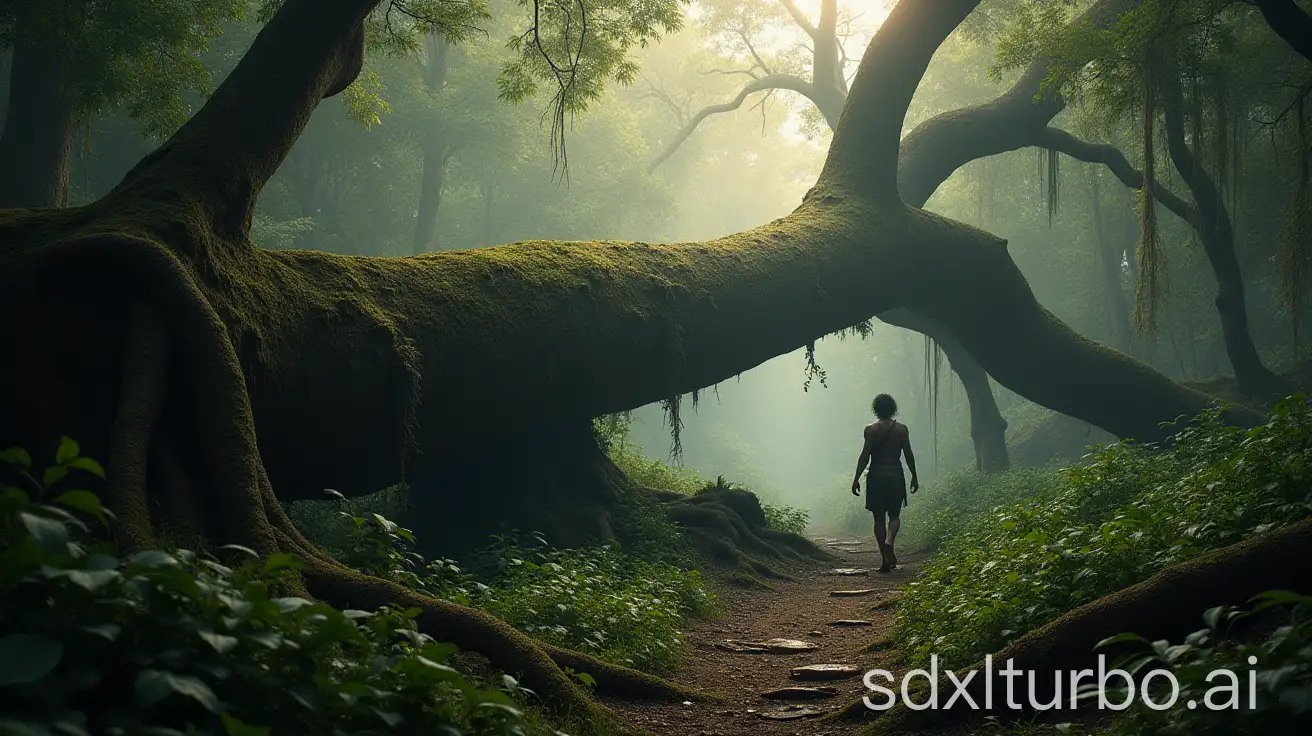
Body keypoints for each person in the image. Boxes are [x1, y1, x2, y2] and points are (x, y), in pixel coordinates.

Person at [850, 393, 919, 572]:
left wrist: (856, 478)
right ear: (893, 408)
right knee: (894, 516)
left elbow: (865, 456)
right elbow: (908, 454)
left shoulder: (871, 430)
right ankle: (890, 541)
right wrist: (914, 475)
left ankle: (884, 560)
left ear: (876, 409)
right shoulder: (902, 429)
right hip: (895, 474)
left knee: (878, 518)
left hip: (876, 475)